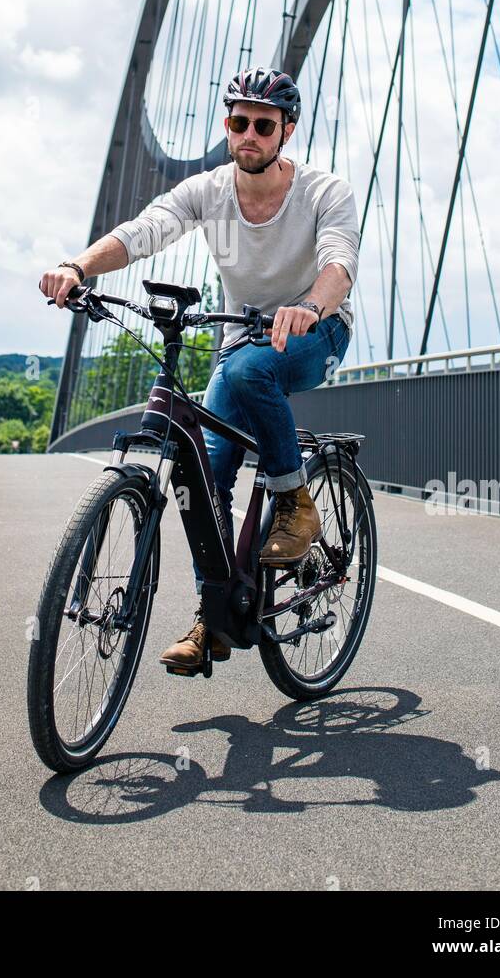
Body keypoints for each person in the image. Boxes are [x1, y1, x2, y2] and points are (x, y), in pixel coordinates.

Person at [40, 66, 360, 672]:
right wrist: (78, 267)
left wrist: (310, 307)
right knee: (201, 475)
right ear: (227, 125)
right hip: (241, 339)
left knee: (245, 375)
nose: (250, 135)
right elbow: (144, 231)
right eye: (239, 122)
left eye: (264, 126)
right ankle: (212, 617)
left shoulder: (324, 191)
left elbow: (339, 262)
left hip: (319, 328)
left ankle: (295, 504)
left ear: (286, 132)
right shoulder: (209, 191)